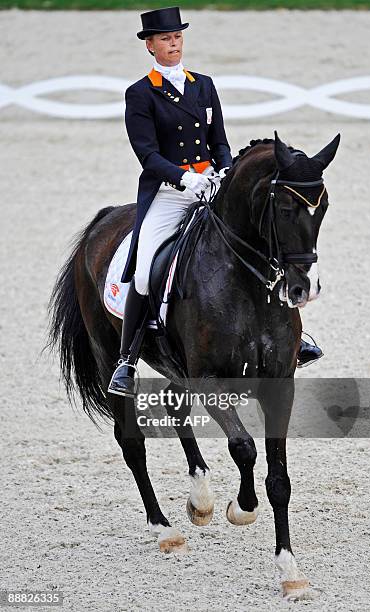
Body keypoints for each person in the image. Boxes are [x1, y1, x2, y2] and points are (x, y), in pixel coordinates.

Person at [108, 6, 321, 397]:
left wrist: (223, 172)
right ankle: (127, 358)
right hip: (170, 193)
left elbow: (220, 140)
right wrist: (184, 177)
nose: (173, 44)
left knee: (265, 243)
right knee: (142, 269)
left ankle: (296, 336)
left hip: (213, 186)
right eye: (165, 40)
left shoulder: (203, 85)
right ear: (150, 46)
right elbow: (147, 154)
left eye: (177, 38)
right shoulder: (140, 94)